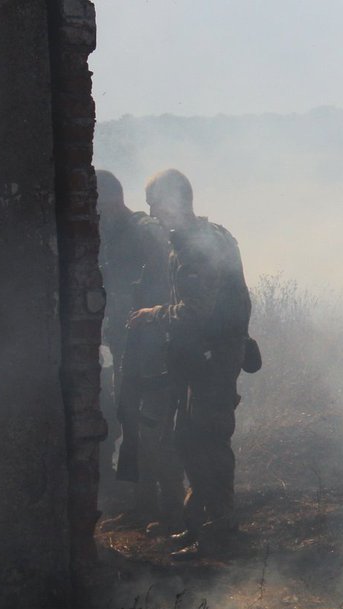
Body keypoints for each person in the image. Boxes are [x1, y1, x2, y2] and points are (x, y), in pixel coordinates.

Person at [127, 169, 252, 558]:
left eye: (154, 203)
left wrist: (153, 314)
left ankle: (219, 531)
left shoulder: (195, 247)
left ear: (173, 201)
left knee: (207, 442)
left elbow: (196, 311)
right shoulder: (209, 236)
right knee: (191, 439)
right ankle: (203, 524)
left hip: (210, 360)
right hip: (208, 358)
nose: (151, 211)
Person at [95, 170, 184, 528]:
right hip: (126, 344)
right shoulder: (109, 234)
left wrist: (157, 323)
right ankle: (143, 506)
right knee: (130, 422)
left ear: (112, 199)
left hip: (152, 345)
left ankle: (171, 508)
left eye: (98, 202)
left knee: (153, 428)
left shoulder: (145, 230)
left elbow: (170, 285)